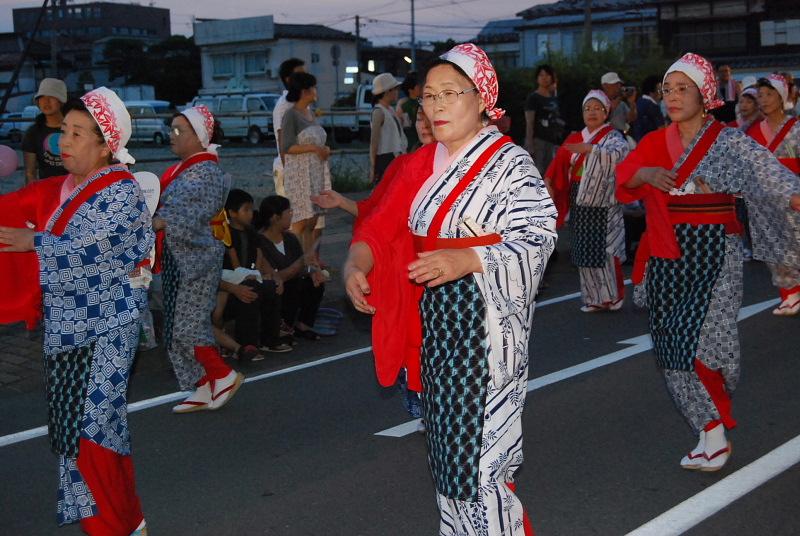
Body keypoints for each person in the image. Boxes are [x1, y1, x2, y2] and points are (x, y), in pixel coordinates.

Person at [344, 43, 556, 535]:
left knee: (481, 464)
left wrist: (470, 257)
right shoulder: (422, 164)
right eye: (428, 97)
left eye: (449, 94)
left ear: (482, 98)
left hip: (489, 330)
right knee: (450, 462)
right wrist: (357, 263)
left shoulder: (511, 164)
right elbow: (380, 226)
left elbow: (539, 236)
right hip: (437, 329)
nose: (435, 106)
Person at [616, 53, 800, 473]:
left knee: (708, 344)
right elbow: (622, 182)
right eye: (668, 90)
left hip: (717, 250)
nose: (673, 97)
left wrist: (794, 196)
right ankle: (711, 430)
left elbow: (770, 176)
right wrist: (644, 175)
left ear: (705, 94)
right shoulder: (653, 142)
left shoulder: (730, 140)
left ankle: (713, 428)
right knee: (671, 347)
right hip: (667, 252)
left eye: (683, 89)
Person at [0, 87, 153, 534]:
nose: (63, 141)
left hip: (105, 329)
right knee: (92, 430)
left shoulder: (119, 191)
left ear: (106, 146)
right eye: (64, 131)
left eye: (77, 132)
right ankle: (128, 520)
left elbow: (99, 251)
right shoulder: (73, 187)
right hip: (72, 330)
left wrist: (37, 242)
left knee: (91, 432)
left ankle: (111, 527)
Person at [154, 105, 244, 413]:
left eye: (180, 130)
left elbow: (190, 215)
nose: (172, 135)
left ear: (200, 137)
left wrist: (161, 221)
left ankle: (222, 374)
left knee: (188, 326)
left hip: (195, 259)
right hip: (182, 256)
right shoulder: (190, 169)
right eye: (172, 128)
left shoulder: (205, 171)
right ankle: (204, 385)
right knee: (178, 326)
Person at [545, 90, 630, 312]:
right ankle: (593, 298)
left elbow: (620, 155)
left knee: (607, 249)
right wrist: (548, 180)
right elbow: (558, 165)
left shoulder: (613, 136)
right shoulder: (575, 137)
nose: (591, 112)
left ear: (606, 112)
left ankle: (613, 296)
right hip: (579, 199)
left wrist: (592, 149)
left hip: (604, 202)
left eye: (597, 108)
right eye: (587, 108)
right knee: (585, 251)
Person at [746, 74, 800, 315]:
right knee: (775, 248)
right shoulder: (753, 131)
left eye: (769, 94)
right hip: (765, 200)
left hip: (795, 194)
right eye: (760, 95)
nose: (764, 100)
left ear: (782, 97)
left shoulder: (796, 128)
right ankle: (789, 295)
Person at [219, 188, 292, 355]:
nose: (251, 213)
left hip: (250, 277)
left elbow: (260, 257)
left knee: (271, 287)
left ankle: (270, 339)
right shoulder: (224, 233)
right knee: (251, 289)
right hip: (229, 284)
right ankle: (247, 343)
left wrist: (273, 276)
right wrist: (247, 277)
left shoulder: (251, 232)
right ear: (232, 213)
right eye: (246, 210)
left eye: (251, 209)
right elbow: (234, 262)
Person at [257, 195, 326, 340]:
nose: (291, 215)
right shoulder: (260, 243)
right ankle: (280, 326)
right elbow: (277, 276)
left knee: (315, 282)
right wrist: (301, 263)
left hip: (293, 283)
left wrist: (312, 271)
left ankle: (303, 325)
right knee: (289, 286)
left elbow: (301, 267)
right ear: (275, 217)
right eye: (288, 212)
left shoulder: (290, 239)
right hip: (277, 289)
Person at [281, 72, 332, 257]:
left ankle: (310, 263)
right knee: (301, 221)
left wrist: (323, 149)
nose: (315, 91)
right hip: (300, 174)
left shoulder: (309, 113)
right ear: (305, 91)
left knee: (312, 221)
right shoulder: (291, 115)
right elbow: (287, 146)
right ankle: (295, 263)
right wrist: (313, 148)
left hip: (315, 173)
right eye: (313, 87)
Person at [22, 78, 68, 183]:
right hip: (47, 189)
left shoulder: (74, 127)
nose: (46, 102)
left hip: (76, 188)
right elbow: (30, 173)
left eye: (51, 97)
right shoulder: (33, 133)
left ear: (61, 101)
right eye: (41, 97)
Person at [272, 58, 306, 196]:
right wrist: (292, 177)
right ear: (288, 79)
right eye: (300, 75)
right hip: (290, 171)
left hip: (302, 169)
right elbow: (283, 144)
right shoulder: (284, 106)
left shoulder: (302, 104)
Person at [524, 63, 563, 174]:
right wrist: (529, 144)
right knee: (538, 173)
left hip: (552, 142)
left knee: (550, 174)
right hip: (538, 142)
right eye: (541, 75)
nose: (544, 78)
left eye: (547, 75)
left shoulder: (553, 98)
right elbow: (529, 122)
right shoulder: (533, 98)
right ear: (537, 78)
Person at [370, 72, 408, 183]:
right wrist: (373, 167)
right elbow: (374, 142)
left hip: (395, 157)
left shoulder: (389, 109)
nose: (397, 92)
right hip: (385, 159)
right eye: (395, 89)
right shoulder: (379, 111)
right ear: (387, 91)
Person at [632, 75, 665, 141]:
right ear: (651, 92)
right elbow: (662, 130)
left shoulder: (639, 101)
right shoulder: (653, 107)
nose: (661, 93)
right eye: (659, 90)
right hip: (652, 143)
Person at [396, 71, 422, 151]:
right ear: (410, 90)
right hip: (410, 142)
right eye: (418, 86)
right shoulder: (403, 104)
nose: (421, 87)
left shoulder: (423, 102)